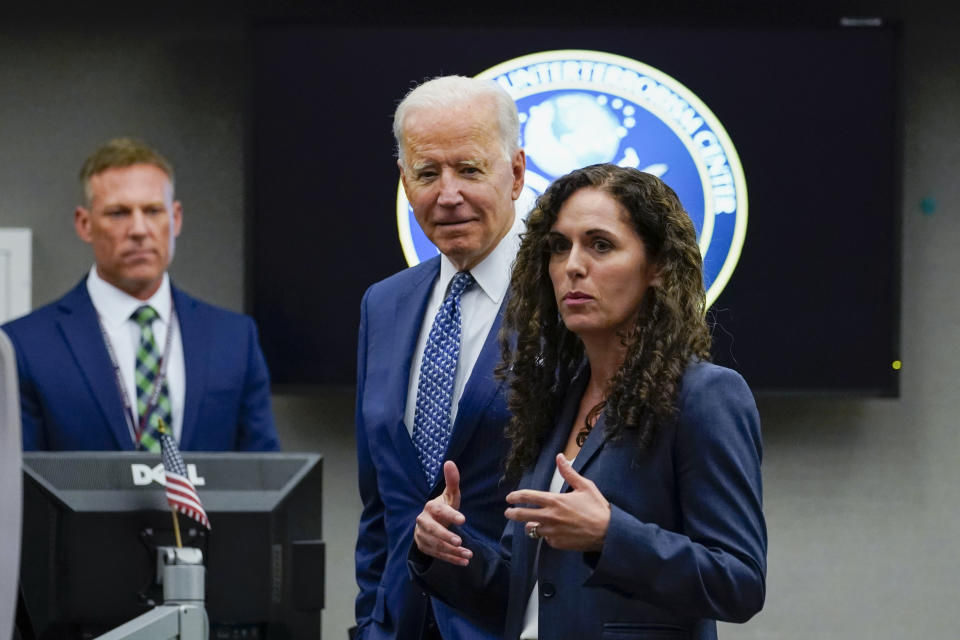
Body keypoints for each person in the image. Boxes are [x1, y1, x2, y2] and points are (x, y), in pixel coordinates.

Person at [410, 164, 766, 639]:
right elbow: (533, 595)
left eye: (600, 245)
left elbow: (738, 582)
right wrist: (448, 550)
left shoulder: (705, 395)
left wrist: (609, 535)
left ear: (656, 267)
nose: (573, 265)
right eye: (560, 247)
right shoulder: (553, 397)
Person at [354, 76, 526, 640]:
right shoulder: (384, 304)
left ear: (517, 174)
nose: (447, 194)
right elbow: (381, 504)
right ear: (406, 184)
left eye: (470, 170)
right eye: (428, 173)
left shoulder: (567, 301)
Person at [3, 138, 280, 452]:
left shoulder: (234, 339)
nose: (138, 229)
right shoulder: (25, 346)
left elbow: (264, 476)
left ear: (175, 219)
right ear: (85, 224)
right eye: (119, 213)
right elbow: (17, 485)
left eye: (152, 211)